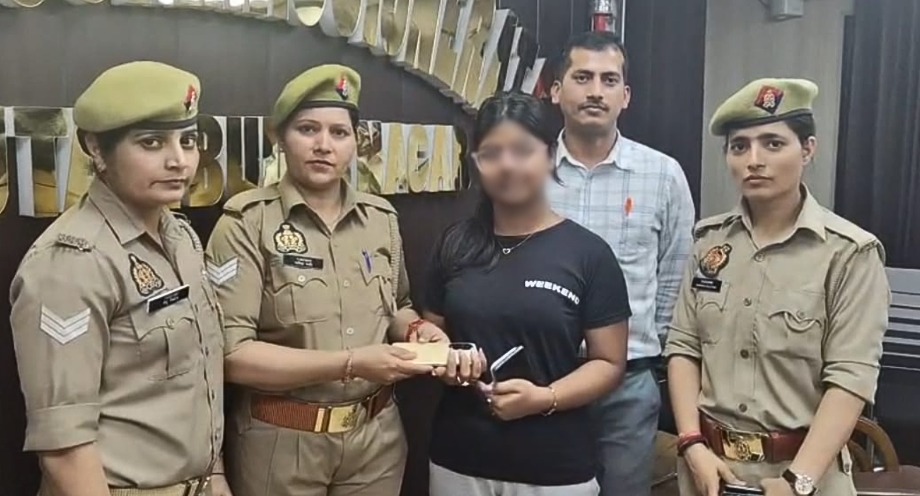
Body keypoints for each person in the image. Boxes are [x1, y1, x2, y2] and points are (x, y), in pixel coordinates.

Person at [205, 64, 447, 496]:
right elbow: (233, 356)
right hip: (283, 443)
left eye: (339, 133)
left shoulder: (380, 219)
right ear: (278, 137)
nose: (323, 145)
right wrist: (351, 363)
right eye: (307, 129)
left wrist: (417, 330)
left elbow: (397, 307)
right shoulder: (246, 223)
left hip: (376, 441)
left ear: (355, 142)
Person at [9, 61, 229, 496]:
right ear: (96, 147)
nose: (178, 160)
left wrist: (216, 477)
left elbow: (197, 382)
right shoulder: (71, 263)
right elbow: (65, 449)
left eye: (188, 141)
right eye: (152, 142)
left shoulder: (181, 236)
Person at [665, 78, 890, 496]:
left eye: (773, 144)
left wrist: (797, 481)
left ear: (807, 150)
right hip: (709, 470)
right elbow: (684, 347)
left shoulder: (848, 254)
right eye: (739, 147)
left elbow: (851, 379)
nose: (754, 160)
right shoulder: (709, 243)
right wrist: (691, 443)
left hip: (804, 475)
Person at [423, 91, 631, 496]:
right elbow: (431, 335)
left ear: (549, 156)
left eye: (522, 150)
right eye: (492, 153)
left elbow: (609, 363)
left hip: (554, 467)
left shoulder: (588, 254)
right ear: (477, 163)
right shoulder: (454, 244)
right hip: (459, 457)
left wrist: (545, 398)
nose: (507, 165)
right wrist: (443, 360)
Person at [546, 31, 696, 496]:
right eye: (582, 77)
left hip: (628, 386)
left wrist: (651, 359)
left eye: (609, 80)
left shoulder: (663, 175)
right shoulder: (527, 171)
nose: (596, 91)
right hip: (544, 376)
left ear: (625, 96)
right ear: (556, 90)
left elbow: (676, 279)